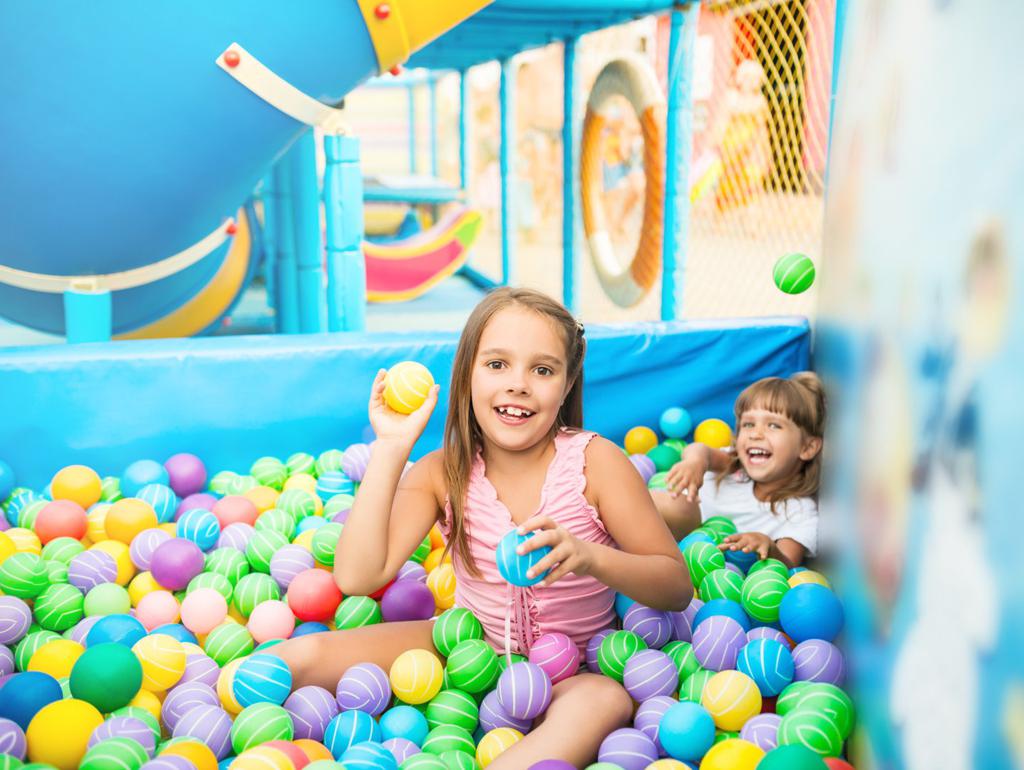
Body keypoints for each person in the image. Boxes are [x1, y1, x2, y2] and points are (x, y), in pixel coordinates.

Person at [275, 287, 692, 768]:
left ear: (567, 382)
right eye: (497, 365)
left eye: (542, 370)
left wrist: (589, 555)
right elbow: (357, 576)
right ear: (467, 373)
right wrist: (390, 447)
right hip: (467, 647)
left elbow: (675, 585)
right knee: (299, 658)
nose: (518, 385)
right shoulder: (440, 472)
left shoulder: (596, 462)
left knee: (604, 701)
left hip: (575, 664)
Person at [652, 372, 825, 569]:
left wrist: (768, 546)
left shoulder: (799, 511)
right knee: (682, 505)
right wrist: (695, 463)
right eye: (748, 424)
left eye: (774, 425)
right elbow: (700, 449)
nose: (756, 434)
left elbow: (788, 563)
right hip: (665, 525)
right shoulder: (734, 465)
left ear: (807, 447)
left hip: (702, 562)